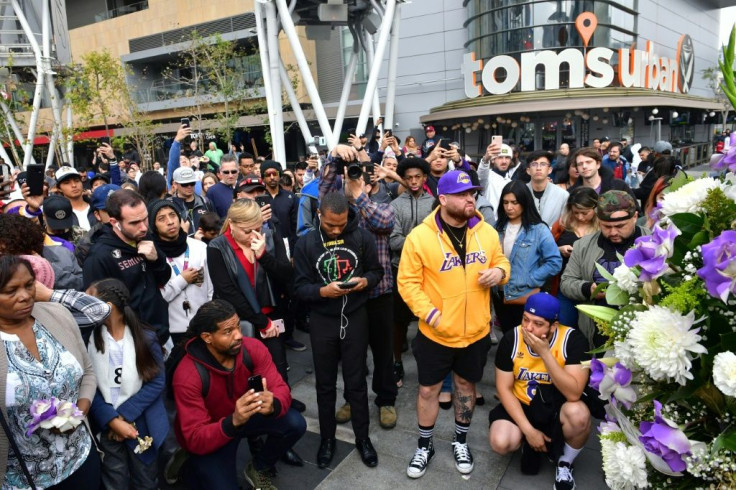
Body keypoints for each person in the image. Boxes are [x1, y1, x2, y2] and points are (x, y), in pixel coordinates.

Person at [398, 170, 510, 479]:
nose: (470, 198)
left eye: (472, 193)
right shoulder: (420, 237)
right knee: (428, 390)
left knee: (466, 387)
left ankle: (460, 441)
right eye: (462, 195)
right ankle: (425, 445)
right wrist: (430, 314)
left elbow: (502, 261)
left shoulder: (486, 232)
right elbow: (407, 283)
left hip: (475, 331)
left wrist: (499, 274)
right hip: (435, 333)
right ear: (444, 199)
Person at [172, 299, 306, 489]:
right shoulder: (188, 375)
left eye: (237, 326)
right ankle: (187, 466)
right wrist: (233, 421)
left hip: (245, 415)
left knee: (295, 423)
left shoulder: (253, 348)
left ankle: (258, 468)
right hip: (215, 428)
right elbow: (195, 436)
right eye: (228, 331)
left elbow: (281, 389)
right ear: (207, 337)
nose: (238, 335)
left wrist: (273, 404)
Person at [293, 191, 384, 469]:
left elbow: (376, 272)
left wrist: (363, 283)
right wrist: (322, 291)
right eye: (330, 225)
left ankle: (362, 438)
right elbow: (298, 288)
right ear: (319, 214)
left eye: (341, 225)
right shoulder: (306, 243)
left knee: (356, 383)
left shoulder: (361, 236)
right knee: (324, 385)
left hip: (355, 317)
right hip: (322, 320)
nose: (335, 230)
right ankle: (328, 439)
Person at [0, 255, 100, 489]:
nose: (24, 296)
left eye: (29, 285)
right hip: (23, 479)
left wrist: (78, 412)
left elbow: (87, 370)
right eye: (10, 290)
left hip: (81, 459)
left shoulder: (57, 315)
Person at [318, 145, 398, 431]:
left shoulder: (380, 197)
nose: (356, 176)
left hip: (379, 292)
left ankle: (386, 399)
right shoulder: (337, 202)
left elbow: (385, 223)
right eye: (352, 173)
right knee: (352, 354)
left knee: (383, 352)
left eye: (360, 174)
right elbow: (324, 192)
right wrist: (333, 156)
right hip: (349, 295)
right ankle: (353, 399)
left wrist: (360, 196)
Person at [489, 293, 591, 490]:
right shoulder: (512, 338)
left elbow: (574, 393)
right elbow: (503, 388)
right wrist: (529, 431)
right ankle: (527, 438)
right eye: (525, 319)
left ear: (553, 326)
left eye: (537, 323)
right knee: (500, 442)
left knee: (579, 414)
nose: (528, 328)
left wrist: (545, 353)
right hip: (522, 403)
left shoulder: (573, 340)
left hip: (555, 407)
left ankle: (565, 463)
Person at [86, 279, 167, 490]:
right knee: (114, 480)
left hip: (141, 423)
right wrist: (111, 420)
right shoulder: (90, 339)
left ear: (108, 307)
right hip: (107, 425)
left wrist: (122, 416)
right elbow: (88, 384)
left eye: (89, 300)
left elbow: (157, 381)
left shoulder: (145, 338)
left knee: (146, 480)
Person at [560, 190, 648, 348]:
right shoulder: (583, 246)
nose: (613, 232)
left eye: (620, 226)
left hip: (640, 333)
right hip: (595, 335)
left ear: (635, 217)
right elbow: (566, 282)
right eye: (606, 226)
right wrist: (588, 288)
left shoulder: (652, 242)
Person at [83, 189, 172, 344]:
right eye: (134, 223)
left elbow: (164, 277)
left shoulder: (145, 237)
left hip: (160, 333)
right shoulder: (100, 256)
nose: (143, 227)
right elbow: (97, 309)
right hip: (131, 343)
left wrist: (156, 260)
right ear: (114, 222)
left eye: (145, 219)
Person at [389, 157, 434, 387]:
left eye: (418, 177)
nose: (414, 181)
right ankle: (397, 363)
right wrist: (420, 241)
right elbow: (394, 241)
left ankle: (427, 365)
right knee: (399, 322)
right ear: (404, 180)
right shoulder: (395, 205)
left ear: (425, 178)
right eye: (409, 178)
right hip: (402, 271)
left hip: (430, 273)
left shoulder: (435, 203)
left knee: (428, 321)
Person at [493, 181, 562, 333]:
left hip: (524, 295)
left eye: (514, 202)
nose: (509, 207)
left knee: (525, 339)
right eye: (505, 202)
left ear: (524, 202)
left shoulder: (538, 230)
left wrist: (530, 279)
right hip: (499, 294)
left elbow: (554, 261)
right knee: (508, 337)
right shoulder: (496, 227)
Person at [150, 199, 213, 346]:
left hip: (204, 327)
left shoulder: (199, 247)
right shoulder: (153, 255)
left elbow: (211, 289)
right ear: (154, 226)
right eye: (161, 219)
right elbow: (158, 299)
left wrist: (210, 319)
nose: (170, 221)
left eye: (172, 215)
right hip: (172, 332)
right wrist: (182, 280)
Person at [550, 187, 599, 327]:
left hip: (592, 286)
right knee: (564, 325)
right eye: (576, 212)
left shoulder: (602, 228)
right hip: (565, 286)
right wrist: (559, 249)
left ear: (595, 209)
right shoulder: (561, 225)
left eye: (585, 213)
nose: (580, 217)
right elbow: (546, 250)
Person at [525, 150, 569, 227]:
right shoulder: (521, 192)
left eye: (543, 164)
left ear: (550, 170)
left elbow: (565, 224)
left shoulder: (562, 195)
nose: (538, 168)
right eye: (534, 164)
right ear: (528, 170)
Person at [170, 167, 216, 237]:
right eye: (185, 184)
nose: (189, 186)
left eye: (192, 183)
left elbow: (215, 226)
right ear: (175, 184)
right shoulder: (169, 205)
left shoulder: (206, 202)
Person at [477, 142, 513, 220]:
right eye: (500, 157)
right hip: (490, 225)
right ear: (493, 160)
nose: (504, 161)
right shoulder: (488, 177)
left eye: (507, 157)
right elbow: (481, 176)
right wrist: (486, 159)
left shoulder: (510, 181)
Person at [54, 166, 95, 231]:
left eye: (77, 181)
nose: (74, 185)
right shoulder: (59, 214)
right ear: (59, 188)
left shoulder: (96, 207)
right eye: (67, 183)